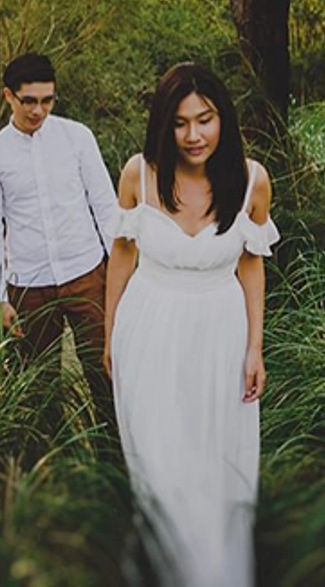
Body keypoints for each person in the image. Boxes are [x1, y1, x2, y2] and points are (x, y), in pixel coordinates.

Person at [104, 62, 278, 587]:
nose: (194, 135)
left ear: (223, 118)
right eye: (180, 123)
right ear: (164, 124)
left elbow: (251, 263)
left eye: (205, 119)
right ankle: (166, 569)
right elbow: (122, 254)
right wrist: (111, 336)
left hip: (220, 334)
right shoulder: (139, 174)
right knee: (160, 466)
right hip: (148, 330)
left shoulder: (251, 181)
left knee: (216, 466)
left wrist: (255, 346)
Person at [0, 52, 117, 423]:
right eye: (29, 101)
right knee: (39, 389)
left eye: (47, 100)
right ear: (9, 96)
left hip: (87, 275)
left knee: (108, 374)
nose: (39, 110)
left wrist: (121, 272)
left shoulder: (77, 138)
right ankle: (51, 456)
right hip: (29, 286)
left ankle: (115, 453)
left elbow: (105, 207)